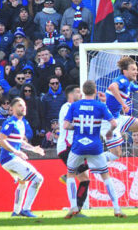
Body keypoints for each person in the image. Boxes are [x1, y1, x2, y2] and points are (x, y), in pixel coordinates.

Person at [63, 80, 126, 218]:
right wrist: (109, 132)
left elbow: (65, 126)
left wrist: (77, 127)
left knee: (70, 175)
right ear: (95, 91)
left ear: (83, 92)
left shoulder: (75, 105)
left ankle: (73, 206)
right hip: (95, 146)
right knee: (106, 176)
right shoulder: (100, 106)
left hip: (78, 146)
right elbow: (114, 123)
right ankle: (117, 209)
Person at [0, 98, 45, 217]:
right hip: (10, 158)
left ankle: (16, 212)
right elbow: (0, 140)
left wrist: (34, 149)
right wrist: (17, 152)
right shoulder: (10, 122)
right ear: (12, 109)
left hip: (9, 160)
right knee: (38, 178)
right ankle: (26, 209)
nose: (23, 107)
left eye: (24, 105)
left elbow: (21, 142)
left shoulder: (21, 123)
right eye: (19, 105)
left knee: (23, 183)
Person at [57, 85, 90, 215]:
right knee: (84, 174)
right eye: (77, 92)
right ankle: (75, 208)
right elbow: (67, 125)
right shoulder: (67, 107)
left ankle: (77, 209)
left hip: (76, 147)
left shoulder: (76, 108)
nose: (80, 93)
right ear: (70, 95)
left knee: (85, 179)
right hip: (67, 146)